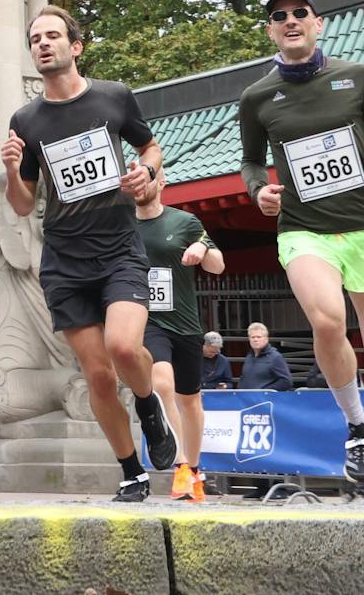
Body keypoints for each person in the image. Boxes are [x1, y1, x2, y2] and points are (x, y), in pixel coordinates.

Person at [239, 0, 364, 504]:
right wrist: (258, 190)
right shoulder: (257, 97)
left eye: (299, 14)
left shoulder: (357, 77)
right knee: (328, 321)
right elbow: (250, 161)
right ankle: (355, 424)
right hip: (303, 230)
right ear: (271, 31)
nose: (290, 21)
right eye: (279, 17)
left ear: (319, 24)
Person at [2, 6, 177, 502]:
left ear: (75, 46)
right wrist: (14, 170)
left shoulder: (113, 97)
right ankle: (130, 470)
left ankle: (147, 405)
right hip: (65, 258)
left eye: (53, 35)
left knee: (125, 348)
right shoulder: (27, 119)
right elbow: (21, 204)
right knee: (97, 374)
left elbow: (151, 148)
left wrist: (145, 172)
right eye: (35, 38)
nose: (43, 43)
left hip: (118, 247)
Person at [135, 179, 226, 503]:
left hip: (185, 324)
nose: (140, 184)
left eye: (147, 178)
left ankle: (196, 468)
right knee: (162, 382)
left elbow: (218, 267)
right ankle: (181, 465)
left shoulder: (185, 222)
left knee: (190, 400)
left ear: (160, 182)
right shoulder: (123, 225)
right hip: (147, 321)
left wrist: (202, 250)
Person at [238, 323, 295, 391]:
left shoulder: (275, 357)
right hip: (246, 399)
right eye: (252, 337)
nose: (255, 340)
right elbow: (244, 378)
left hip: (265, 399)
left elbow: (286, 381)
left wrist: (266, 391)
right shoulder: (249, 357)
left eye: (259, 337)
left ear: (266, 339)